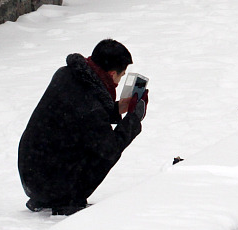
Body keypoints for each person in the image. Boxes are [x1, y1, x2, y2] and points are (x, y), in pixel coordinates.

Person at [18, 39, 148, 215]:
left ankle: (49, 196)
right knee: (104, 152)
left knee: (92, 141)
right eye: (121, 75)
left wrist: (118, 108)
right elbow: (110, 148)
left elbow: (80, 117)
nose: (119, 81)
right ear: (111, 74)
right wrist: (134, 119)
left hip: (31, 171)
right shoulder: (90, 105)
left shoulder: (67, 75)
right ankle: (67, 200)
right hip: (48, 185)